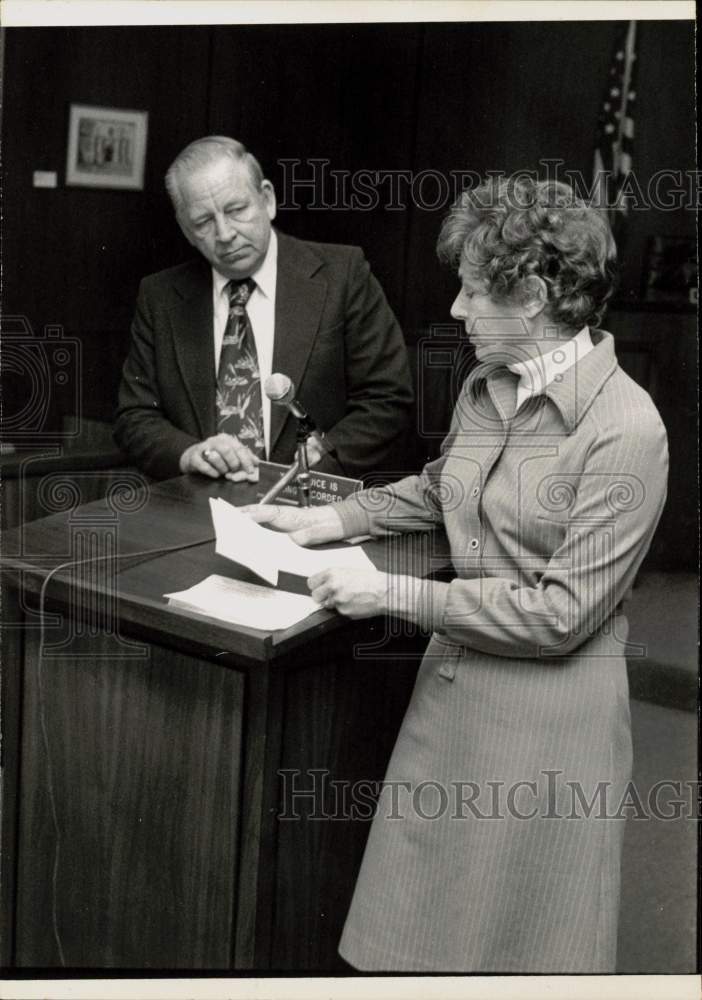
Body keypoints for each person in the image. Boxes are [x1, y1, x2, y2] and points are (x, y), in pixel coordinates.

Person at [243, 176, 669, 972]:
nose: (457, 309)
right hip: (452, 698)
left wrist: (392, 593)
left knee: (510, 955)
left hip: (548, 732)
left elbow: (560, 615)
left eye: (473, 291)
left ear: (533, 296)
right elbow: (444, 487)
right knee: (410, 941)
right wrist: (335, 518)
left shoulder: (627, 429)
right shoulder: (488, 381)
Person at [114, 136, 413, 481]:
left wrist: (328, 452)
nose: (225, 234)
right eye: (203, 222)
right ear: (186, 230)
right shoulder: (161, 297)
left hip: (312, 495)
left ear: (267, 200)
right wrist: (190, 454)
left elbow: (387, 398)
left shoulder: (342, 275)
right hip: (201, 498)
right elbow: (134, 417)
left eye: (236, 210)